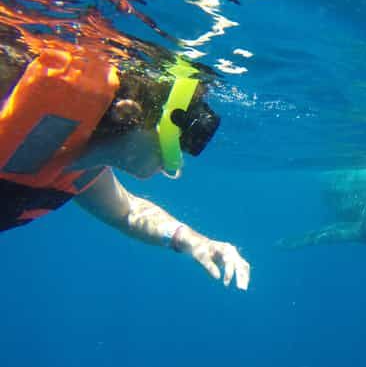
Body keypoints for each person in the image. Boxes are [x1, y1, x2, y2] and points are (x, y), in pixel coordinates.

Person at [0, 40, 251, 291]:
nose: (171, 162)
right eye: (172, 145)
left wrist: (192, 241)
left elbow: (127, 213)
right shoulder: (8, 94)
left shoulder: (82, 169)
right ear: (129, 114)